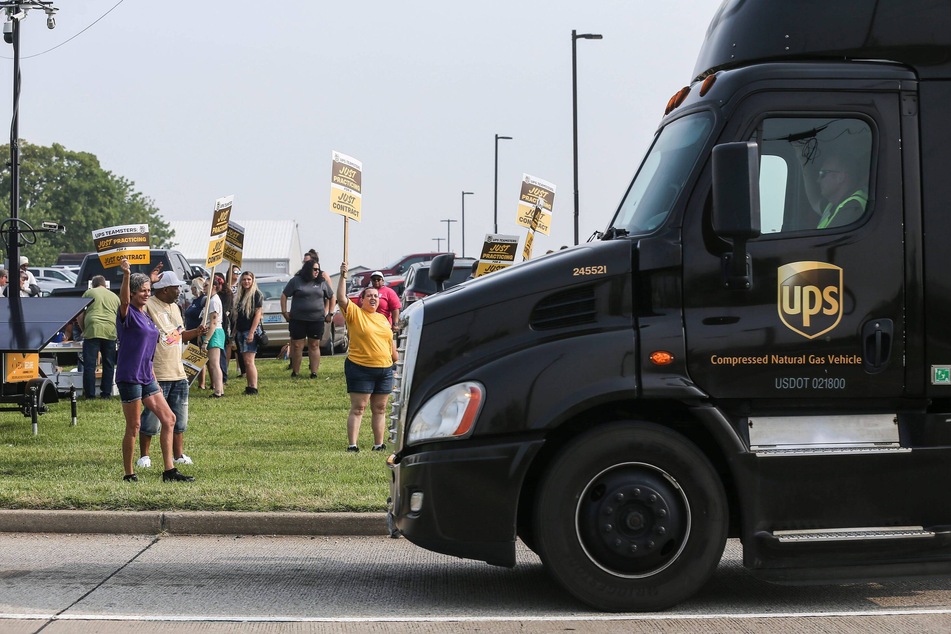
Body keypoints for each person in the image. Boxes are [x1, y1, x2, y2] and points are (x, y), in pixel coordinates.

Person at [115, 258, 194, 483]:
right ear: (132, 294)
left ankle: (169, 471)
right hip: (129, 377)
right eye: (142, 291)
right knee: (135, 426)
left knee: (169, 419)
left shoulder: (146, 317)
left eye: (148, 290)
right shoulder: (127, 313)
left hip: (147, 376)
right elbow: (124, 299)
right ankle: (129, 473)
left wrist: (154, 378)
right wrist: (127, 274)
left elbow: (150, 351)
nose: (146, 294)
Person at [136, 271, 209, 470]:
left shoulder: (176, 307)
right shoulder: (148, 304)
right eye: (176, 287)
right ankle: (144, 456)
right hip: (157, 371)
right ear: (165, 289)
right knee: (151, 418)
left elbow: (179, 335)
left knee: (179, 418)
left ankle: (178, 455)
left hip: (179, 372)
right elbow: (130, 301)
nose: (179, 290)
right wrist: (149, 281)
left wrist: (196, 333)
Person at [337, 262, 398, 452]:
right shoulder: (355, 314)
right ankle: (353, 445)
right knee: (359, 408)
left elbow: (390, 343)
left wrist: (395, 361)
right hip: (360, 368)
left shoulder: (382, 319)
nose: (373, 298)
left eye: (375, 296)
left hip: (385, 369)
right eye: (369, 296)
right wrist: (342, 276)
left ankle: (379, 444)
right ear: (361, 299)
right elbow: (340, 298)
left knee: (380, 409)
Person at [281, 258, 334, 378]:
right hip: (298, 319)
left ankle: (314, 372)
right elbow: (284, 295)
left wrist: (330, 313)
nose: (317, 272)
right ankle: (295, 371)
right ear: (307, 269)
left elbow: (332, 297)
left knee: (314, 345)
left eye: (318, 269)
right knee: (297, 345)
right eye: (314, 269)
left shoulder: (321, 282)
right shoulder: (296, 281)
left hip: (316, 320)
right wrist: (284, 312)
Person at [77, 275, 120, 399]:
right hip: (110, 329)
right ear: (105, 285)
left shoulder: (89, 292)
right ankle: (106, 394)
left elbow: (80, 314)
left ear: (93, 285)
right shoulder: (114, 296)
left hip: (93, 328)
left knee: (90, 365)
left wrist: (84, 330)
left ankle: (90, 395)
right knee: (109, 363)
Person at [815, 153, 867, 229]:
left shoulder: (853, 207)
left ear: (840, 177)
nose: (818, 180)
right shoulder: (833, 204)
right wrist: (802, 159)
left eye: (823, 174)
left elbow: (829, 240)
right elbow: (814, 202)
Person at [233, 270, 264, 395]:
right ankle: (249, 385)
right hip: (240, 330)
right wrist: (234, 331)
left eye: (249, 279)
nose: (246, 282)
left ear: (253, 281)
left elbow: (257, 315)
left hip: (249, 330)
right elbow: (238, 316)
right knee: (245, 360)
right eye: (244, 279)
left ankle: (253, 387)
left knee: (249, 361)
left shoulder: (256, 295)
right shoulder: (240, 296)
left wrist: (251, 332)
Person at [203, 277, 225, 398]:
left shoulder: (214, 301)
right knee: (213, 364)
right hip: (212, 332)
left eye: (206, 285)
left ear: (214, 287)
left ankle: (218, 391)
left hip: (215, 332)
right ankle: (219, 389)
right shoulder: (209, 300)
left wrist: (206, 340)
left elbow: (213, 322)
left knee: (214, 363)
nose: (203, 288)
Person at [183, 277, 207, 389]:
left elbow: (204, 316)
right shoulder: (194, 300)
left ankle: (202, 384)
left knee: (200, 358)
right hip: (191, 331)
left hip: (198, 332)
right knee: (194, 358)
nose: (191, 289)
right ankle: (194, 381)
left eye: (192, 287)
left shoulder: (204, 300)